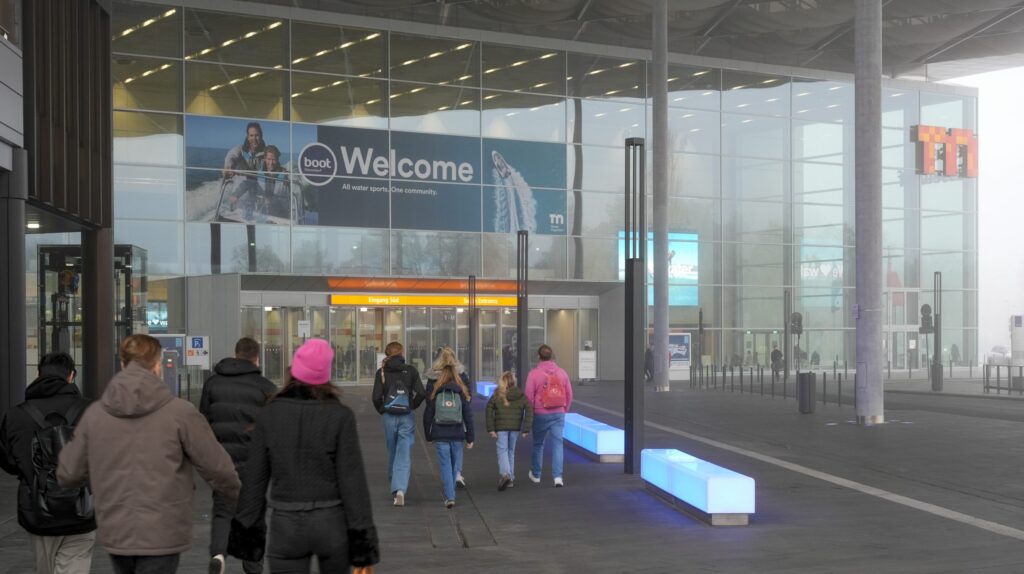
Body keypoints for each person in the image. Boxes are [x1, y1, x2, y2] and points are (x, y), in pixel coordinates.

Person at [57, 335, 240, 574]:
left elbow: (69, 473)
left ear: (123, 365)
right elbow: (219, 469)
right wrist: (234, 493)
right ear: (157, 365)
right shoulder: (180, 413)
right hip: (164, 529)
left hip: (117, 528)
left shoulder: (96, 414)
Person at [231, 339, 379, 573]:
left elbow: (254, 479)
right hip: (331, 522)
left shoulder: (270, 414)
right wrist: (363, 543)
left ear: (294, 370)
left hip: (285, 523)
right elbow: (353, 481)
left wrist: (247, 532)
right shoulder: (340, 416)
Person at [0, 353, 96, 574]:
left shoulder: (16, 415)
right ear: (71, 376)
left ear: (39, 375)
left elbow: (8, 462)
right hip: (82, 507)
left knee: (44, 568)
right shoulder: (92, 411)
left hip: (38, 510)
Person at [200, 337, 277, 574]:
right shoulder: (265, 387)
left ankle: (218, 554)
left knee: (223, 510)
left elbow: (203, 419)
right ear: (256, 358)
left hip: (222, 460)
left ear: (235, 353)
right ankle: (252, 566)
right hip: (254, 462)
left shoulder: (212, 384)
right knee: (253, 514)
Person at [372, 341, 425, 507]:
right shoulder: (410, 370)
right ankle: (400, 489)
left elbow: (375, 397)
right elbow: (422, 393)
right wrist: (411, 406)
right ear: (401, 353)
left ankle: (395, 490)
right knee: (403, 452)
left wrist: (383, 410)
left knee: (392, 451)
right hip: (405, 415)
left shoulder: (381, 372)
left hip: (388, 416)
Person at [423, 347, 475, 509]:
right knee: (454, 465)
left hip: (439, 431)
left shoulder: (433, 381)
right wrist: (470, 437)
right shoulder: (461, 384)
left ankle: (450, 496)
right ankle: (454, 481)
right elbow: (468, 412)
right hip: (457, 431)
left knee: (445, 465)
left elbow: (428, 411)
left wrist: (428, 435)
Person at [524, 344, 573, 487]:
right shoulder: (562, 373)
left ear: (539, 357)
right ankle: (558, 477)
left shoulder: (534, 374)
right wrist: (564, 410)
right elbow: (569, 394)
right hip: (558, 413)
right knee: (558, 444)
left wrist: (532, 412)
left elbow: (528, 396)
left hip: (540, 413)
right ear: (552, 356)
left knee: (538, 444)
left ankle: (536, 474)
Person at [486, 371, 533, 491]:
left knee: (502, 451)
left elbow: (488, 409)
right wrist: (526, 428)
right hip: (515, 428)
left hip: (501, 427)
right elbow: (529, 410)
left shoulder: (497, 394)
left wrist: (491, 428)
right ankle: (510, 479)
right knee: (510, 451)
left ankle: (506, 474)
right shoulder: (520, 394)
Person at [223, 122, 266, 220]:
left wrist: (282, 171)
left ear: (261, 136)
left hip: (257, 198)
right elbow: (231, 155)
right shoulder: (240, 150)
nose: (254, 139)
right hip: (238, 198)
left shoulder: (266, 153)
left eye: (257, 135)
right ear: (247, 137)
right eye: (251, 135)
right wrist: (228, 166)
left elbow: (273, 164)